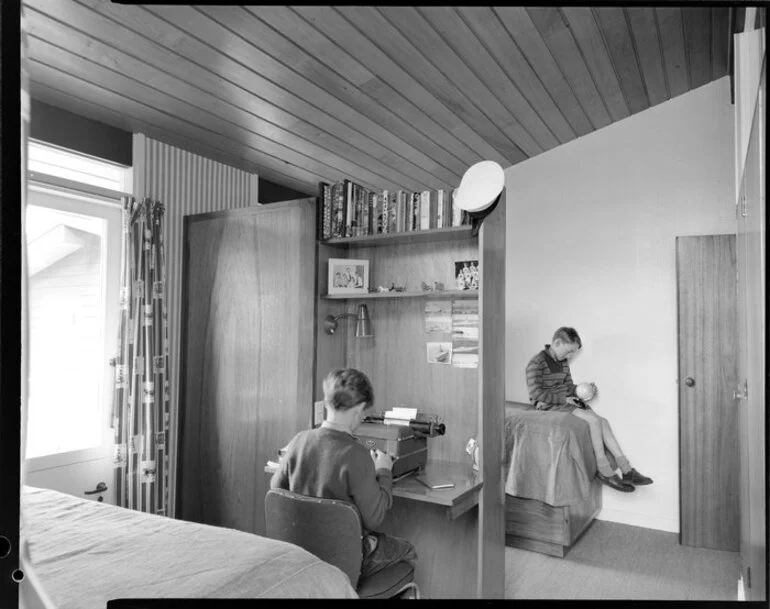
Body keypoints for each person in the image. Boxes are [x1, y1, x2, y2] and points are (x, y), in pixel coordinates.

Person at [271, 368, 417, 579]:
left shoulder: (298, 441)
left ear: (328, 402)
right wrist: (384, 470)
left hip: (302, 553)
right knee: (408, 550)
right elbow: (375, 518)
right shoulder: (357, 454)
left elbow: (276, 492)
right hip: (345, 559)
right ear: (358, 410)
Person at [525, 327, 653, 492]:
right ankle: (605, 470)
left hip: (566, 401)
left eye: (573, 354)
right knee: (593, 421)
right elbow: (536, 393)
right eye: (569, 351)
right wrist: (565, 399)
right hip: (549, 404)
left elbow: (569, 387)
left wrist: (584, 391)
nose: (569, 357)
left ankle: (627, 470)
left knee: (603, 422)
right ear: (557, 343)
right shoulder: (536, 363)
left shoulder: (562, 363)